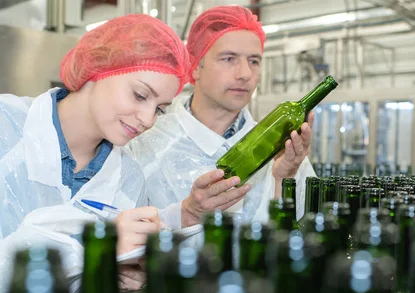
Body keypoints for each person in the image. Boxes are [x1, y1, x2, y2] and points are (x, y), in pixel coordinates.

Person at [0, 14, 189, 293]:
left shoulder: (128, 178)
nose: (148, 119)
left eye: (160, 109)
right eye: (140, 95)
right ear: (99, 67)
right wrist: (94, 247)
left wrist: (119, 276)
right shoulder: (5, 127)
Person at [126, 5, 316, 231]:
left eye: (254, 61)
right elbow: (122, 236)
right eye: (228, 59)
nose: (245, 74)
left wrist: (283, 180)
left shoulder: (283, 151)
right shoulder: (144, 144)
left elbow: (306, 235)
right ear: (195, 66)